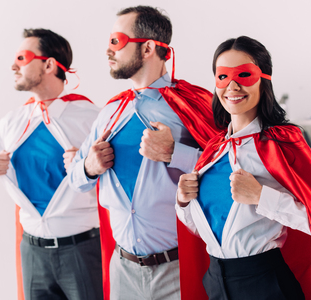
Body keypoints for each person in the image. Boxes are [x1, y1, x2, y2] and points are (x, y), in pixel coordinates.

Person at [176, 36, 311, 300]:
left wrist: (261, 196)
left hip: (265, 283)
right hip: (215, 281)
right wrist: (184, 202)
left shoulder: (283, 143)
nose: (232, 86)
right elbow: (204, 227)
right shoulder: (213, 150)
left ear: (263, 80)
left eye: (244, 75)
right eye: (223, 77)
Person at [67, 6, 219, 300]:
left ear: (148, 47)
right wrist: (89, 166)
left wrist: (176, 153)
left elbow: (227, 175)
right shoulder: (110, 112)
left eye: (116, 41)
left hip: (179, 269)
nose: (108, 50)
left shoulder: (195, 105)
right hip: (122, 270)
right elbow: (75, 179)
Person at [0, 28, 103, 300]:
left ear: (49, 64)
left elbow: (119, 179)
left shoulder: (91, 118)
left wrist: (87, 166)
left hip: (82, 249)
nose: (13, 65)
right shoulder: (13, 122)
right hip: (32, 252)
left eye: (22, 57)